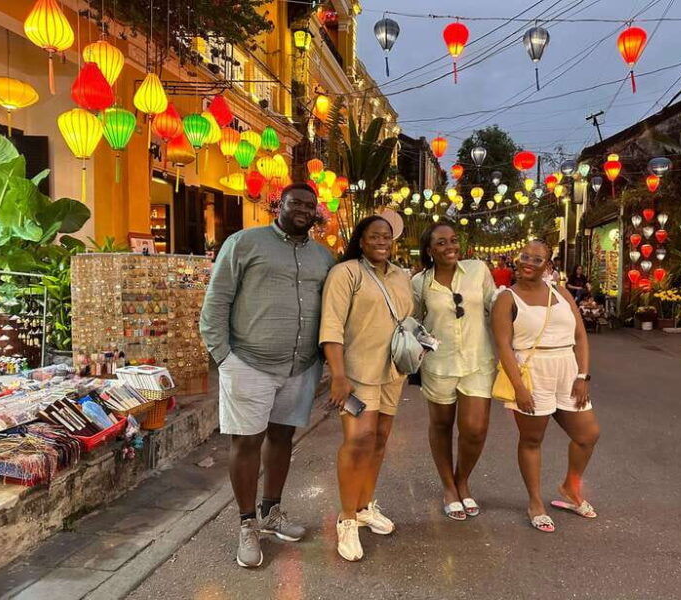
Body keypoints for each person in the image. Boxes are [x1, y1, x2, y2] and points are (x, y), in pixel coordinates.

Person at [199, 183, 335, 568]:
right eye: (296, 203)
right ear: (280, 204)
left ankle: (271, 512)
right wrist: (224, 358)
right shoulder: (244, 243)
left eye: (310, 206)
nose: (304, 211)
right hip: (248, 362)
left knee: (282, 438)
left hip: (301, 366)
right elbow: (216, 302)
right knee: (246, 443)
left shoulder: (323, 258)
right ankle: (247, 524)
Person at [319, 216, 414, 562]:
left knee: (379, 439)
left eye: (386, 236)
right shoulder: (345, 274)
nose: (381, 241)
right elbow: (331, 325)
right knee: (358, 440)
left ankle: (363, 506)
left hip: (392, 372)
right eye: (373, 236)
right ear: (361, 240)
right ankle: (345, 518)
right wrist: (338, 375)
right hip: (357, 373)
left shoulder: (401, 275)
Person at [491, 241, 600, 533]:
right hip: (532, 372)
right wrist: (518, 387)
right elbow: (503, 346)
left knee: (588, 434)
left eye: (537, 259)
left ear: (547, 266)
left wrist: (583, 375)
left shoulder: (560, 292)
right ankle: (535, 501)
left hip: (566, 369)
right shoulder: (507, 299)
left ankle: (569, 487)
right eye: (524, 256)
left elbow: (580, 334)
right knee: (531, 440)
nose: (528, 262)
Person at [412, 222, 496, 521]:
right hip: (440, 364)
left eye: (453, 241)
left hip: (478, 360)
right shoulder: (420, 282)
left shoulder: (477, 270)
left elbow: (494, 304)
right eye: (441, 243)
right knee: (442, 426)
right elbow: (413, 321)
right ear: (430, 250)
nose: (450, 247)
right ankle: (449, 487)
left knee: (475, 429)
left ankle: (462, 479)